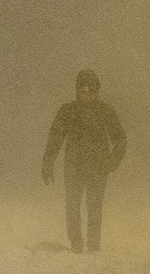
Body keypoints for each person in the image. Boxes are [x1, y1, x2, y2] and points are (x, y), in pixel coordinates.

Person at [42, 69, 126, 253]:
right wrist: (48, 162)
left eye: (90, 91)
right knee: (72, 205)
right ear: (77, 91)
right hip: (74, 168)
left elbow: (119, 138)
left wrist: (113, 160)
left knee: (94, 206)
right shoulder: (68, 111)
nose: (86, 95)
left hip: (98, 168)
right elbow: (55, 138)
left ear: (96, 92)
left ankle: (94, 244)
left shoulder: (105, 111)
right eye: (82, 91)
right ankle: (76, 242)